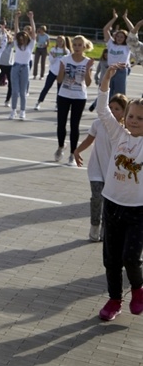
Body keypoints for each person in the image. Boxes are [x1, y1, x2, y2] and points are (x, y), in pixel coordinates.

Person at [95, 63, 143, 322]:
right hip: (111, 204)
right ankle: (114, 299)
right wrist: (106, 78)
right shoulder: (118, 134)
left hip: (138, 210)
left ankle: (138, 289)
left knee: (131, 258)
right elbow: (102, 109)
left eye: (140, 118)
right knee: (111, 259)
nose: (134, 121)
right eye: (131, 116)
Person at [73, 93, 128, 242]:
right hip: (96, 169)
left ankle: (106, 229)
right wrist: (77, 151)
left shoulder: (124, 131)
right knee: (97, 198)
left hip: (113, 173)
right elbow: (89, 140)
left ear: (124, 112)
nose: (113, 111)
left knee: (109, 203)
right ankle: (94, 225)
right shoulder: (97, 124)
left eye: (117, 109)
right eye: (110, 108)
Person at [54, 35, 94, 165]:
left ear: (84, 46)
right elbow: (59, 80)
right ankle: (61, 147)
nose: (77, 47)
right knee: (61, 123)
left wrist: (88, 69)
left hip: (79, 96)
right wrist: (61, 70)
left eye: (79, 45)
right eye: (74, 45)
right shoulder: (65, 59)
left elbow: (88, 83)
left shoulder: (87, 61)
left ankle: (73, 152)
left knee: (74, 125)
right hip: (64, 94)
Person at [9, 11, 35, 120]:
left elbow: (33, 31)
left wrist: (31, 18)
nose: (21, 39)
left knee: (23, 92)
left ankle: (22, 111)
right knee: (15, 91)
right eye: (20, 38)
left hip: (25, 68)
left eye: (23, 38)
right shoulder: (16, 44)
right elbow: (16, 29)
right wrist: (16, 18)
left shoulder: (31, 45)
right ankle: (13, 110)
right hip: (15, 67)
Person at [35, 35, 70, 111]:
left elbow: (67, 62)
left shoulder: (66, 51)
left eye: (61, 41)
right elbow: (51, 61)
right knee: (47, 87)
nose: (59, 42)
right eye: (58, 41)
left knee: (60, 90)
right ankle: (38, 102)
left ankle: (58, 105)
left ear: (64, 42)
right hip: (53, 72)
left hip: (61, 73)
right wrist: (54, 57)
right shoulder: (53, 49)